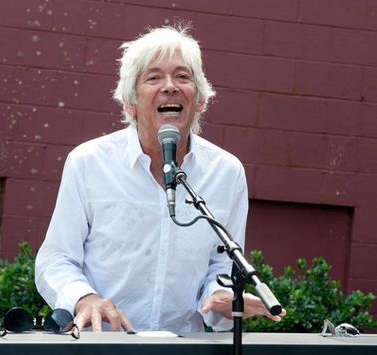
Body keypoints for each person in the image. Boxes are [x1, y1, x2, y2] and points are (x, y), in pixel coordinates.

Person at [35, 25, 285, 333]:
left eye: (183, 77)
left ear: (201, 100)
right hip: (101, 345)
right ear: (131, 103)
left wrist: (220, 298)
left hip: (183, 348)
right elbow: (55, 260)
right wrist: (84, 298)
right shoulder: (88, 163)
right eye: (153, 78)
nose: (170, 87)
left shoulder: (227, 172)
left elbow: (220, 269)